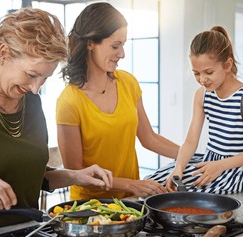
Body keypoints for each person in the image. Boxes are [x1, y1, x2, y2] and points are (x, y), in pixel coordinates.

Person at [0, 8, 113, 237]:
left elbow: (27, 174)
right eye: (31, 74)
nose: (36, 88)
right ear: (3, 53)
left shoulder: (31, 102)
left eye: (45, 79)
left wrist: (76, 176)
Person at [56, 2, 179, 200]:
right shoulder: (69, 101)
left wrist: (191, 157)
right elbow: (76, 172)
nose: (121, 53)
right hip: (90, 208)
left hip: (131, 202)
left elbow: (149, 138)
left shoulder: (127, 83)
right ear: (90, 44)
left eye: (123, 45)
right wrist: (131, 183)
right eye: (115, 46)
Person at [145, 26, 243, 194]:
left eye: (209, 72)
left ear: (227, 65)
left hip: (233, 171)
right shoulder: (202, 95)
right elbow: (191, 141)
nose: (202, 79)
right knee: (152, 183)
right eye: (196, 73)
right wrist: (178, 168)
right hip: (209, 161)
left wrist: (220, 165)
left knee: (188, 195)